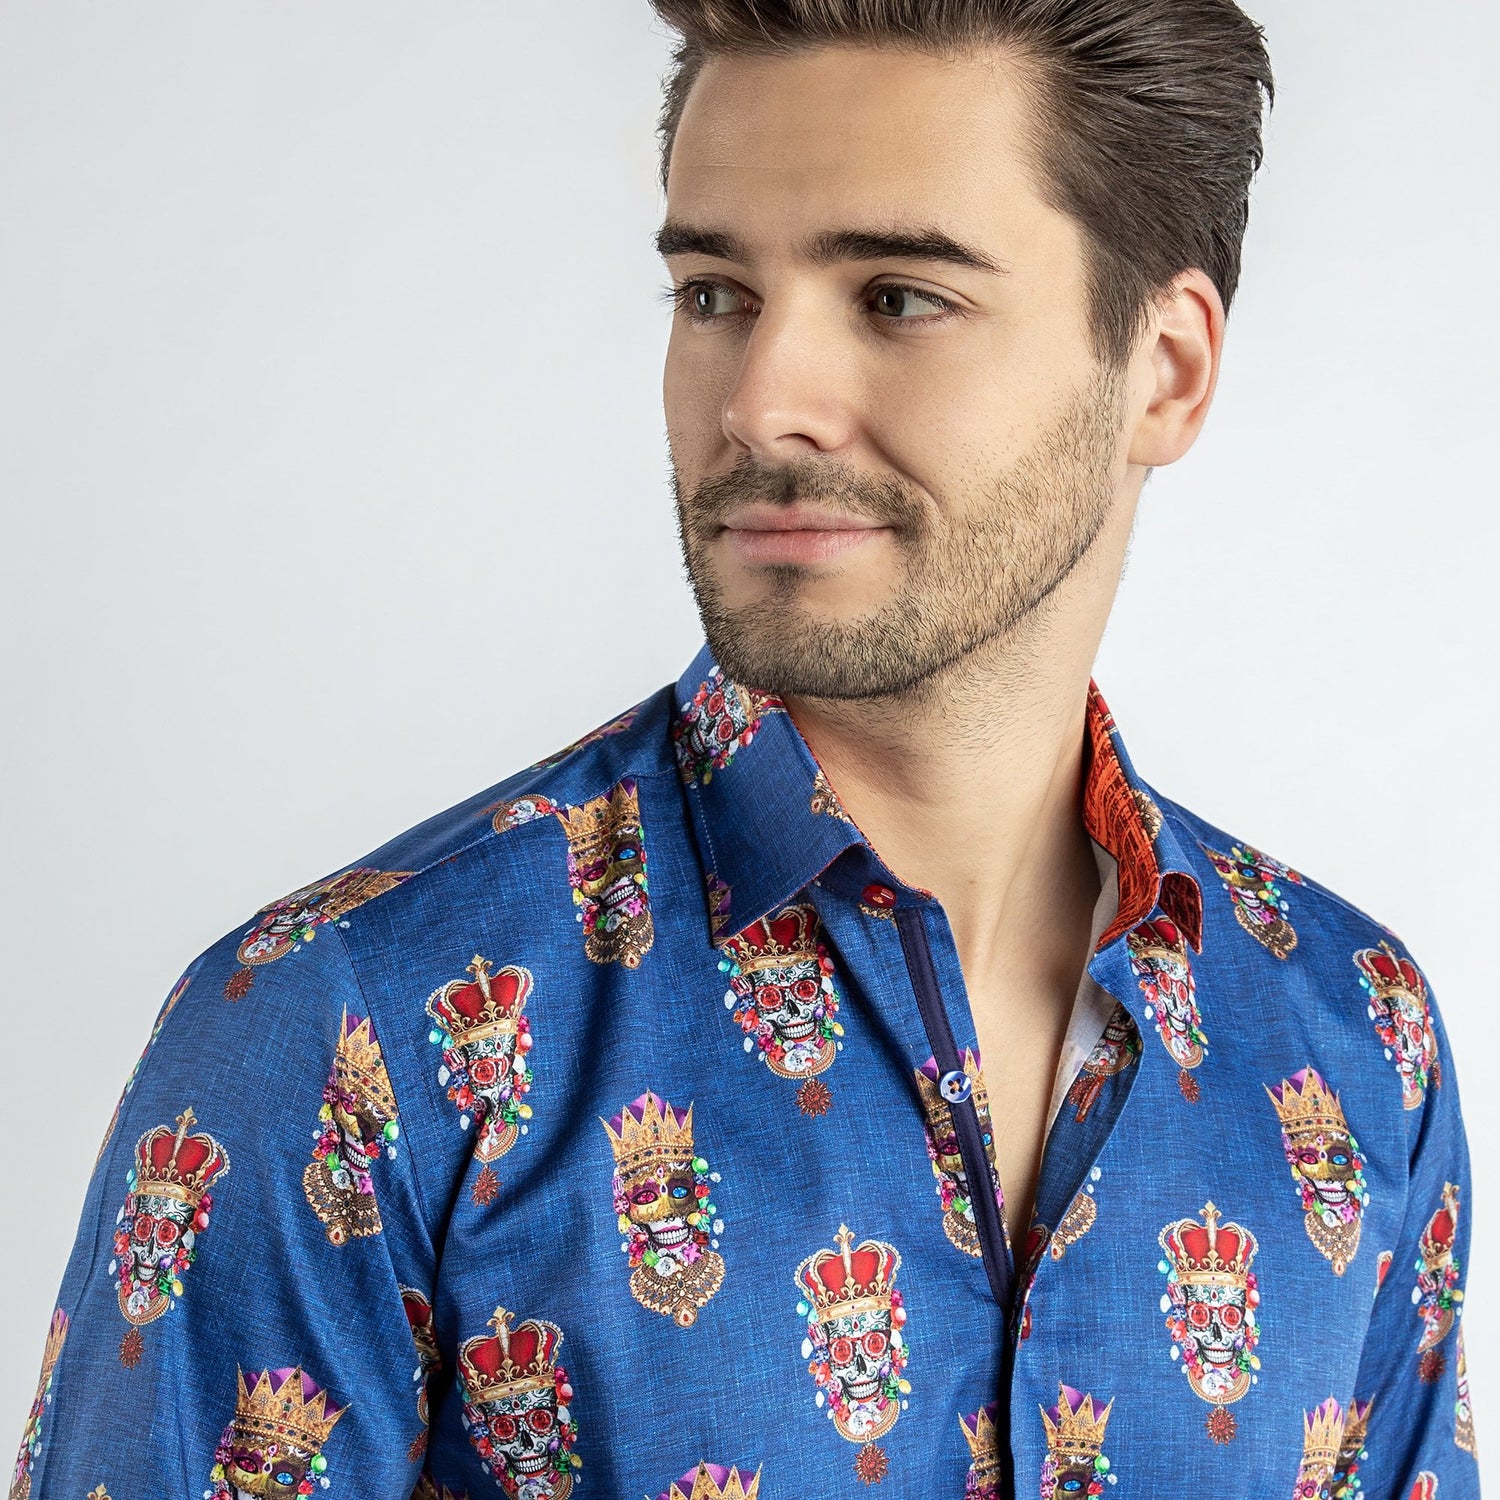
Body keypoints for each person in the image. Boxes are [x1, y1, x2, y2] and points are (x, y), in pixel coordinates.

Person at [13, 2, 1477, 1498]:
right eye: (715, 292)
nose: (762, 401)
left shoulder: (1360, 1043)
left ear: (1163, 370)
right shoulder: (349, 1032)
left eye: (898, 297)